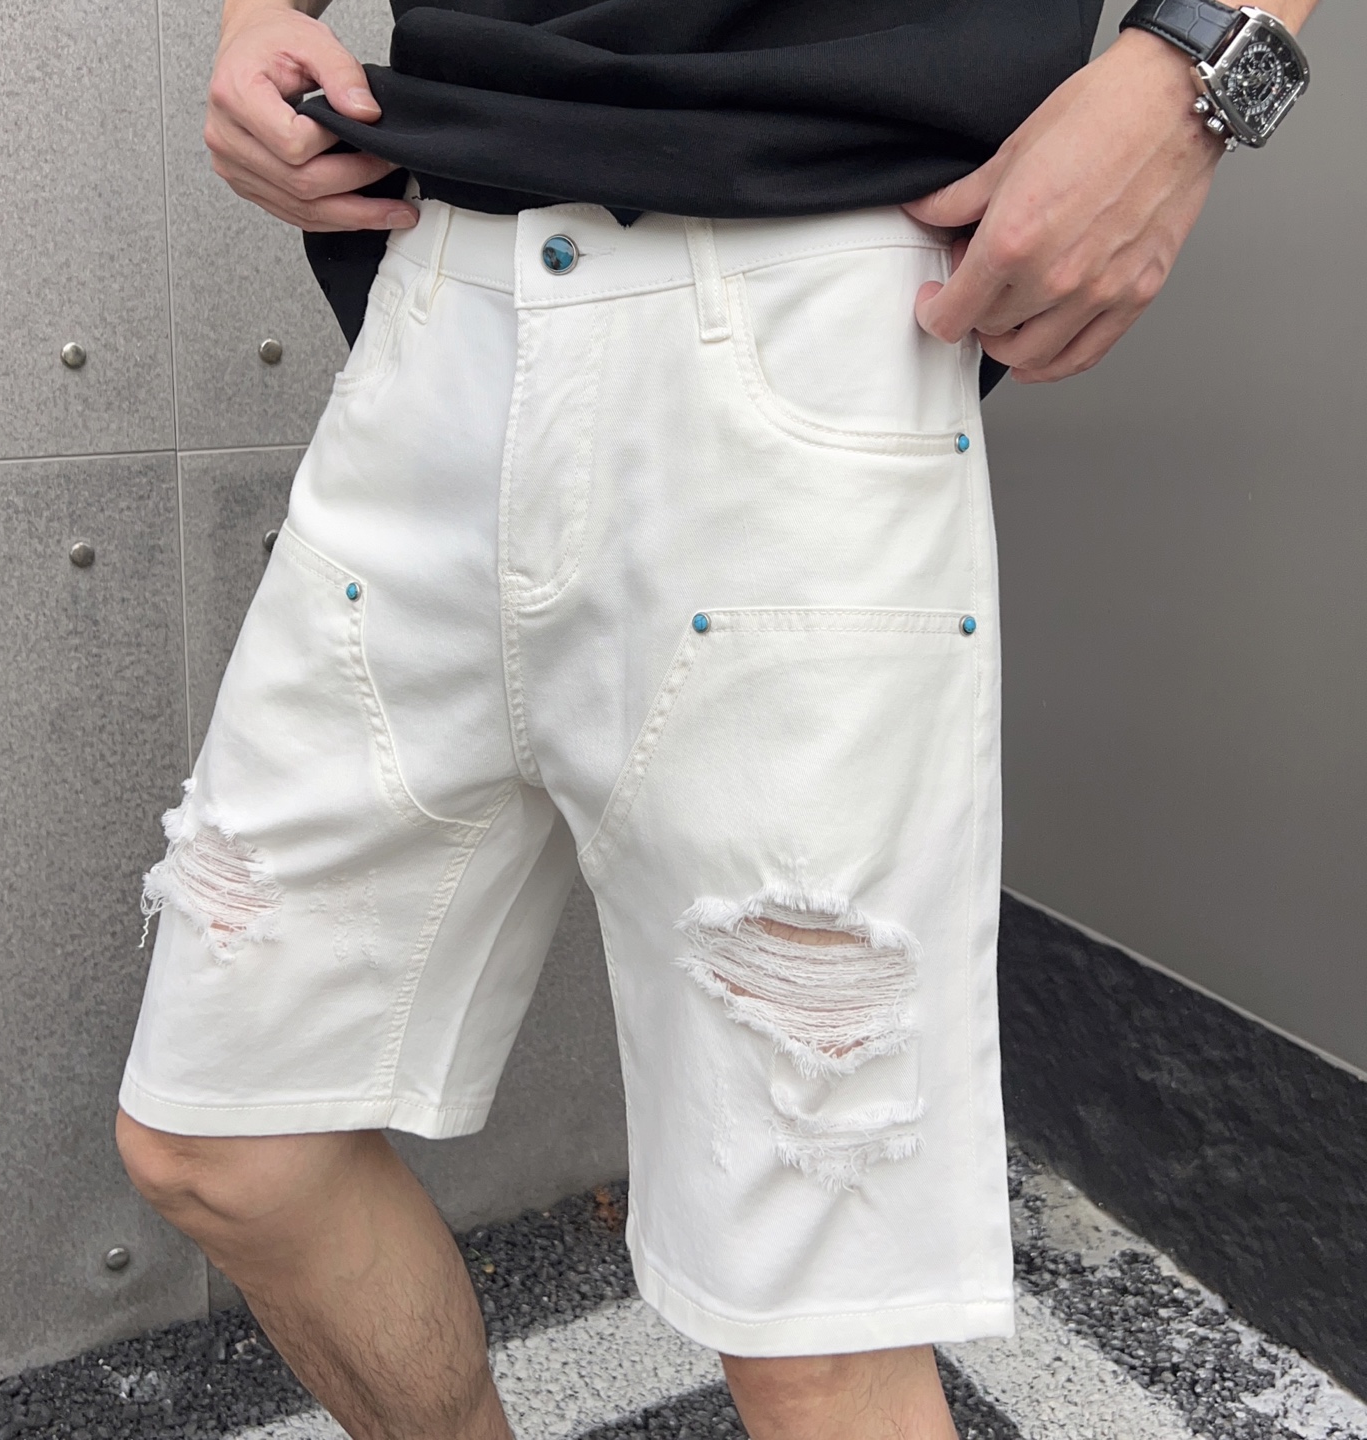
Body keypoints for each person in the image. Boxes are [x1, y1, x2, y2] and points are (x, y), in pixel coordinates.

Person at [114, 1, 1316, 1436]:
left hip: (800, 314)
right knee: (219, 1139)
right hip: (435, 314)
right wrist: (260, 13)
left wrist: (1195, 71)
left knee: (811, 1324)